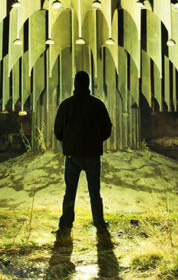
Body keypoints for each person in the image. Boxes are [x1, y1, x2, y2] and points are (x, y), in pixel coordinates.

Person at [54, 70, 112, 234]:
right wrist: (97, 140)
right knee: (95, 192)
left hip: (72, 155)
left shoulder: (66, 105)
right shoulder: (97, 104)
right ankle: (99, 222)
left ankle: (66, 222)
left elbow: (58, 130)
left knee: (70, 191)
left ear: (75, 84)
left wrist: (68, 142)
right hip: (92, 155)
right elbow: (107, 128)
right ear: (88, 84)